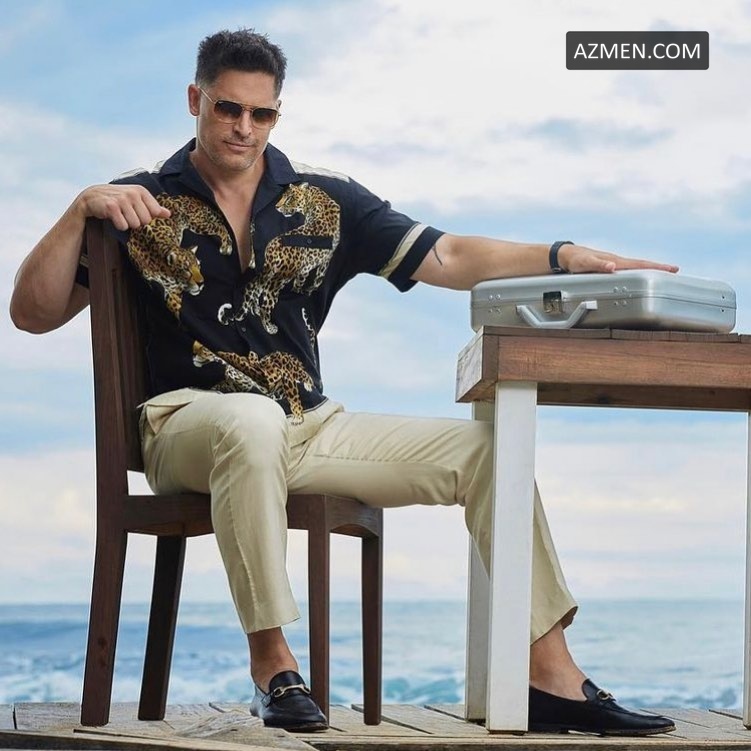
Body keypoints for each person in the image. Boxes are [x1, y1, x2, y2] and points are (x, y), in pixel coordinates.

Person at [10, 28, 679, 736]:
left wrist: (563, 256)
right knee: (250, 420)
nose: (243, 128)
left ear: (277, 114)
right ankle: (273, 665)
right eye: (227, 108)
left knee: (489, 452)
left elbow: (448, 255)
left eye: (261, 113)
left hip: (306, 424)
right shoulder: (137, 201)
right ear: (195, 100)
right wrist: (78, 210)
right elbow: (32, 313)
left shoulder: (322, 200)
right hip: (183, 425)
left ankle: (549, 675)